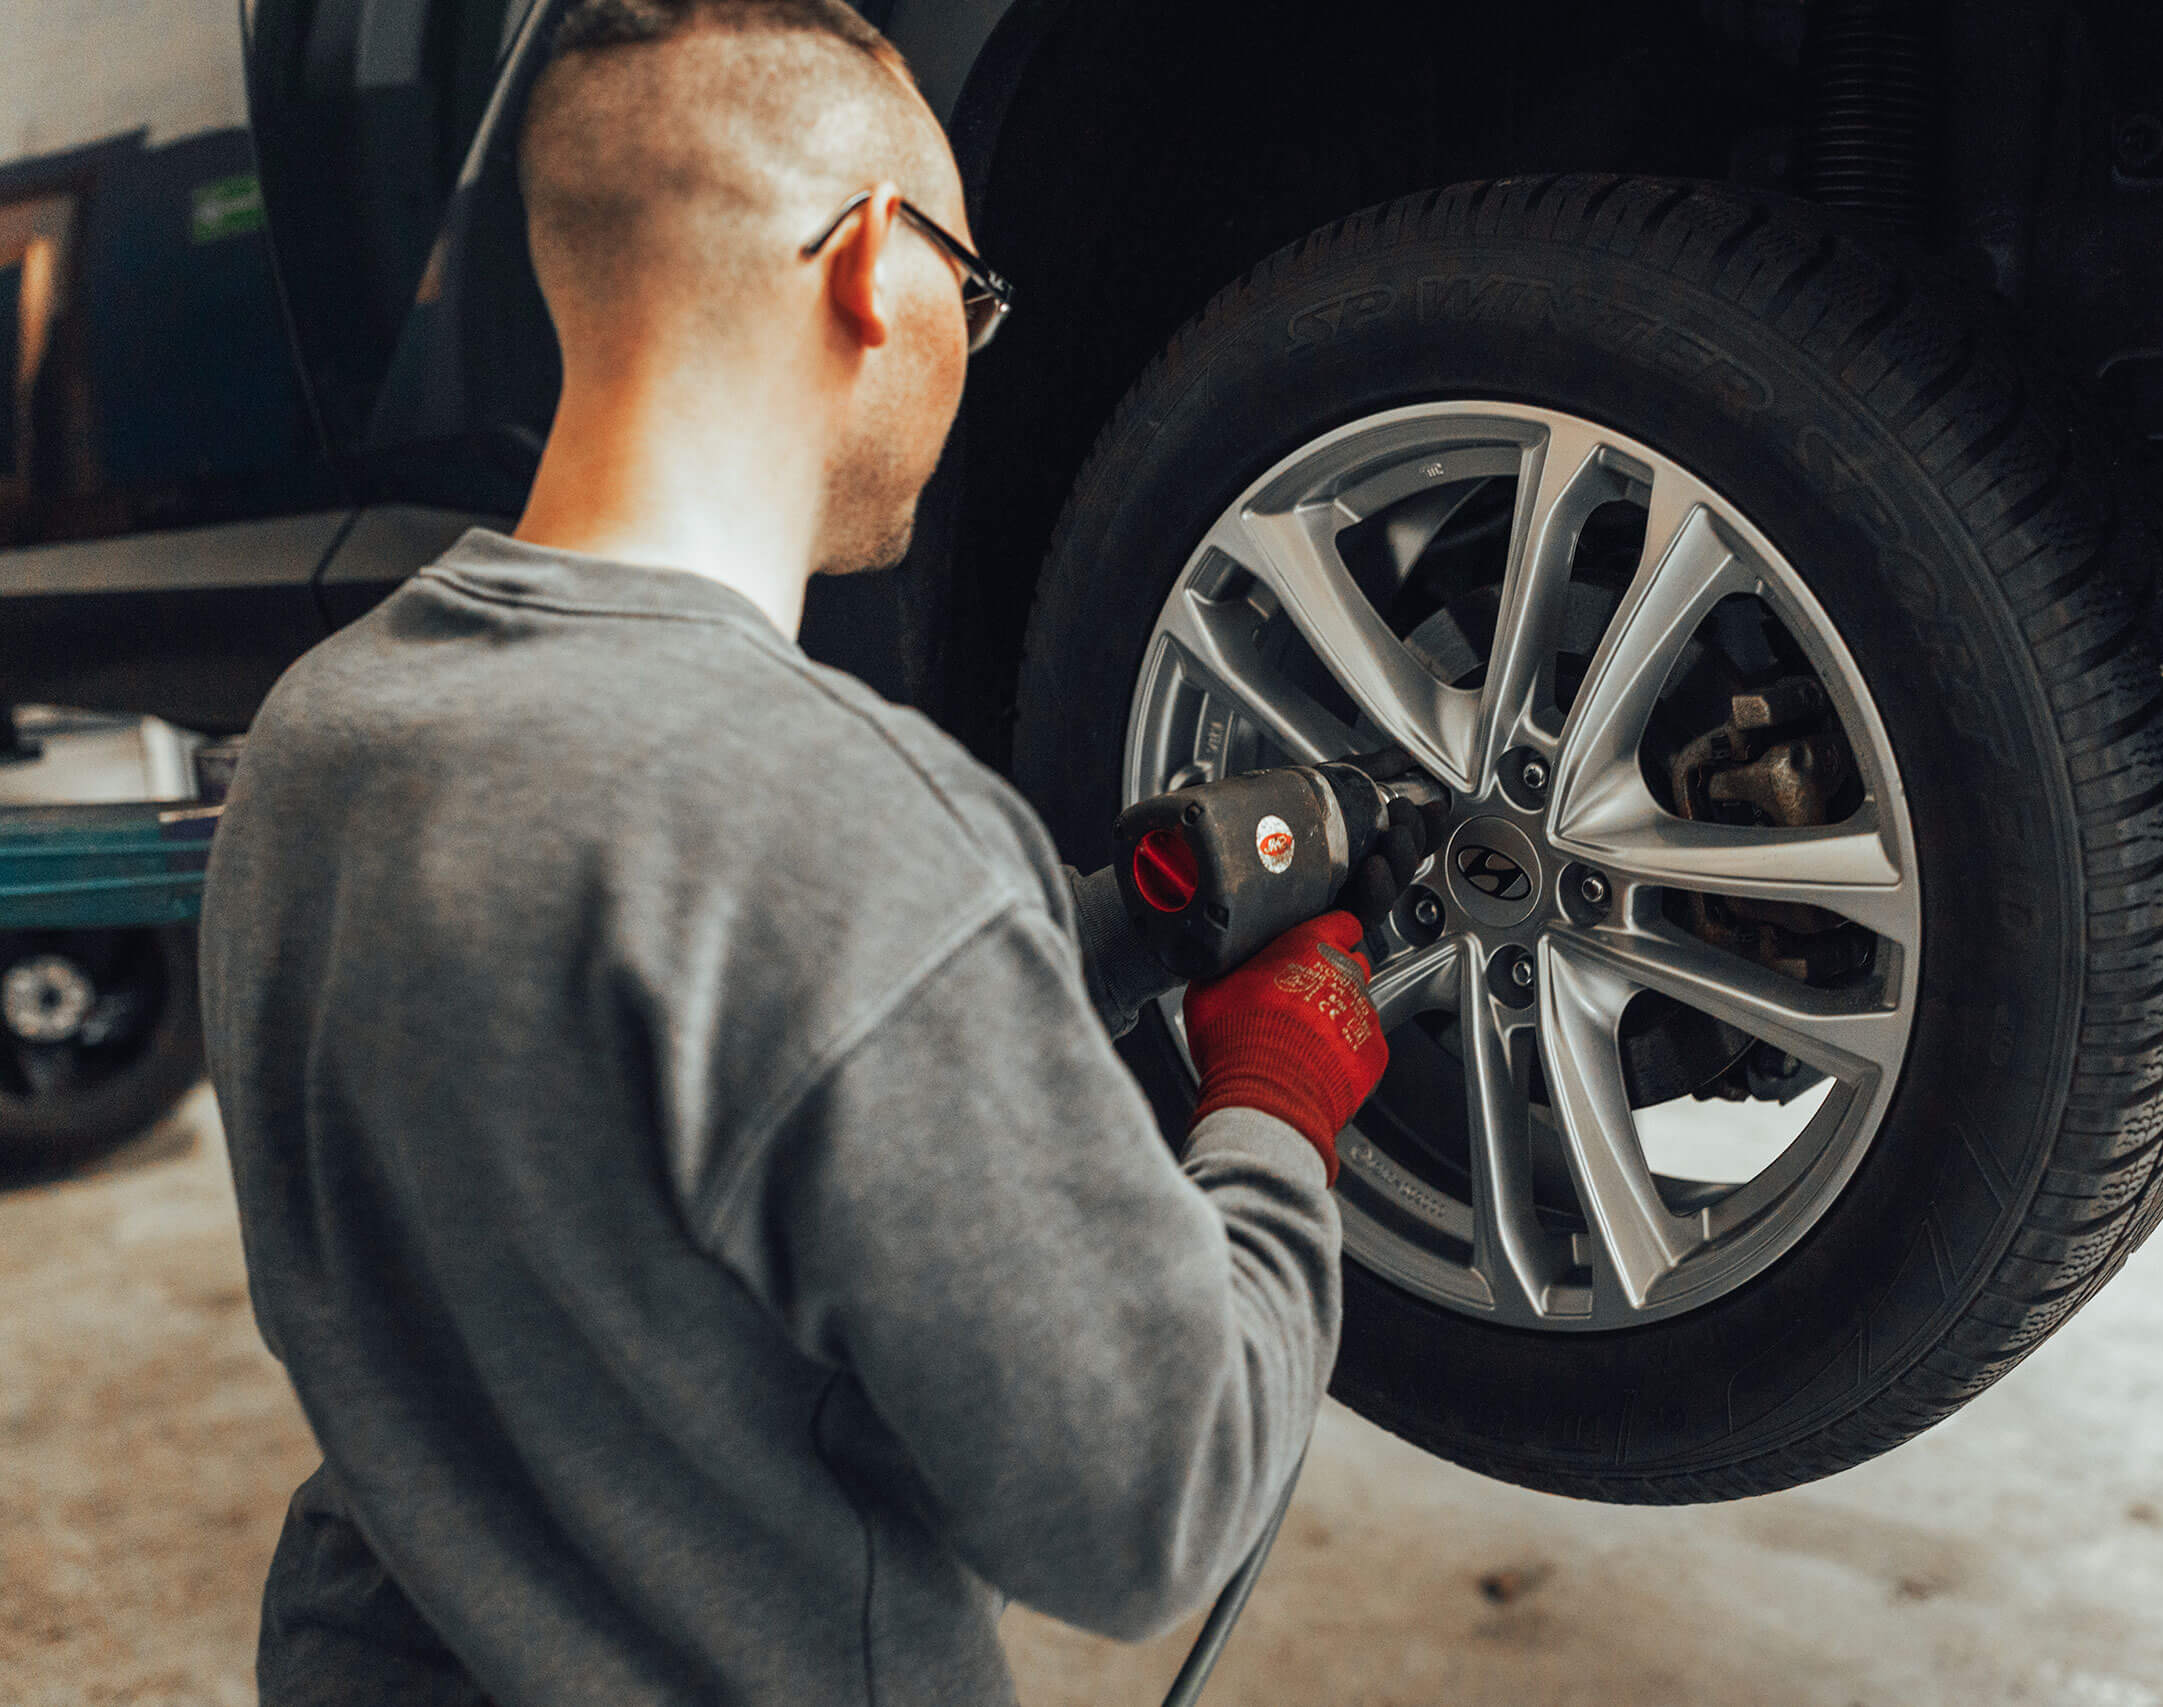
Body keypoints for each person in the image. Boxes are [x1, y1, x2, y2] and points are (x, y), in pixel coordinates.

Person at [197, 3, 1393, 1702]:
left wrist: (1096, 929)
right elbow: (1155, 1510)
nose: (969, 346)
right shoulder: (842, 822)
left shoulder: (322, 741)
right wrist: (1279, 1101)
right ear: (874, 270)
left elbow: (659, 1069)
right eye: (973, 296)